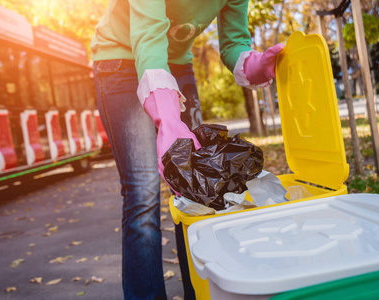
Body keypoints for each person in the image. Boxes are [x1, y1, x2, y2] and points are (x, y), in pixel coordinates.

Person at [90, 1, 283, 299]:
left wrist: (251, 63)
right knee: (143, 192)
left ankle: (201, 293)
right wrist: (165, 114)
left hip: (176, 62)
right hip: (121, 58)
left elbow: (233, 41)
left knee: (196, 190)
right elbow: (148, 31)